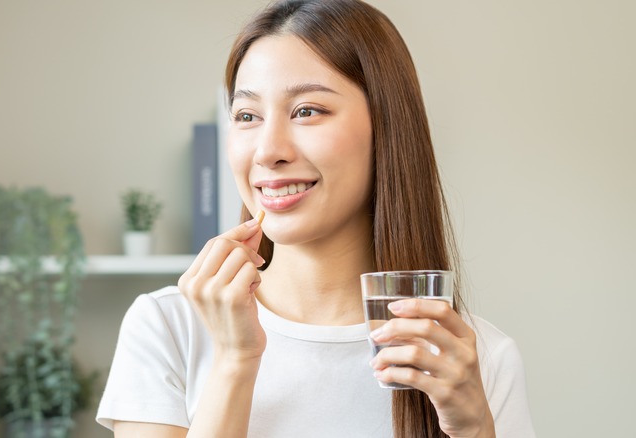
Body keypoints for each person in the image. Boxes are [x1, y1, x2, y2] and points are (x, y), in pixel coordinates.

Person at [96, 0, 535, 437]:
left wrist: (475, 428)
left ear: (388, 130)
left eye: (307, 110)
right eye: (247, 115)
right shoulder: (167, 327)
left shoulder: (473, 360)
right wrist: (234, 361)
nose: (268, 151)